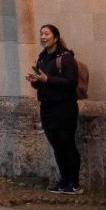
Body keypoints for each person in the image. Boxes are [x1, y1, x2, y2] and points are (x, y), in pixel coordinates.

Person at [26, 23, 82, 194]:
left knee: (67, 143)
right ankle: (64, 181)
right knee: (57, 145)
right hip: (48, 107)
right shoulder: (42, 57)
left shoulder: (65, 58)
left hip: (64, 107)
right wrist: (36, 81)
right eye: (41, 34)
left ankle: (74, 183)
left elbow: (71, 82)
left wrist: (47, 79)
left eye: (47, 34)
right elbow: (42, 84)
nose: (43, 37)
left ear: (56, 37)